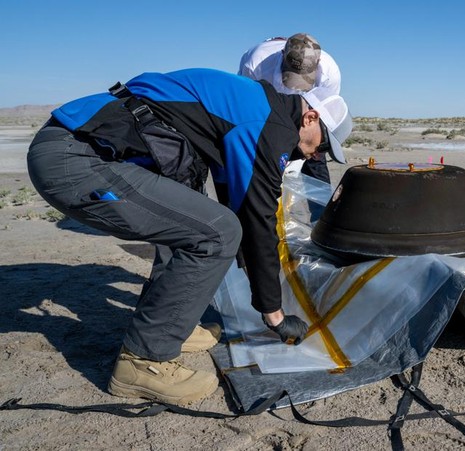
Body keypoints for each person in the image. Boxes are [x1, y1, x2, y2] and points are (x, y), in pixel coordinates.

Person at [27, 68, 353, 405]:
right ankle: (143, 361)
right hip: (77, 158)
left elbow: (238, 201)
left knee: (196, 219)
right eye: (323, 145)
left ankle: (168, 325)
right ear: (309, 117)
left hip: (80, 146)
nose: (317, 156)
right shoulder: (269, 126)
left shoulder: (256, 106)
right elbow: (257, 220)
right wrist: (274, 314)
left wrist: (251, 271)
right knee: (218, 232)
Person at [239, 33, 343, 185]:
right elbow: (248, 109)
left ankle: (322, 208)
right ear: (282, 54)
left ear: (318, 62)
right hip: (267, 112)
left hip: (306, 119)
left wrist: (312, 147)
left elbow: (326, 117)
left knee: (316, 162)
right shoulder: (256, 63)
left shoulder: (330, 72)